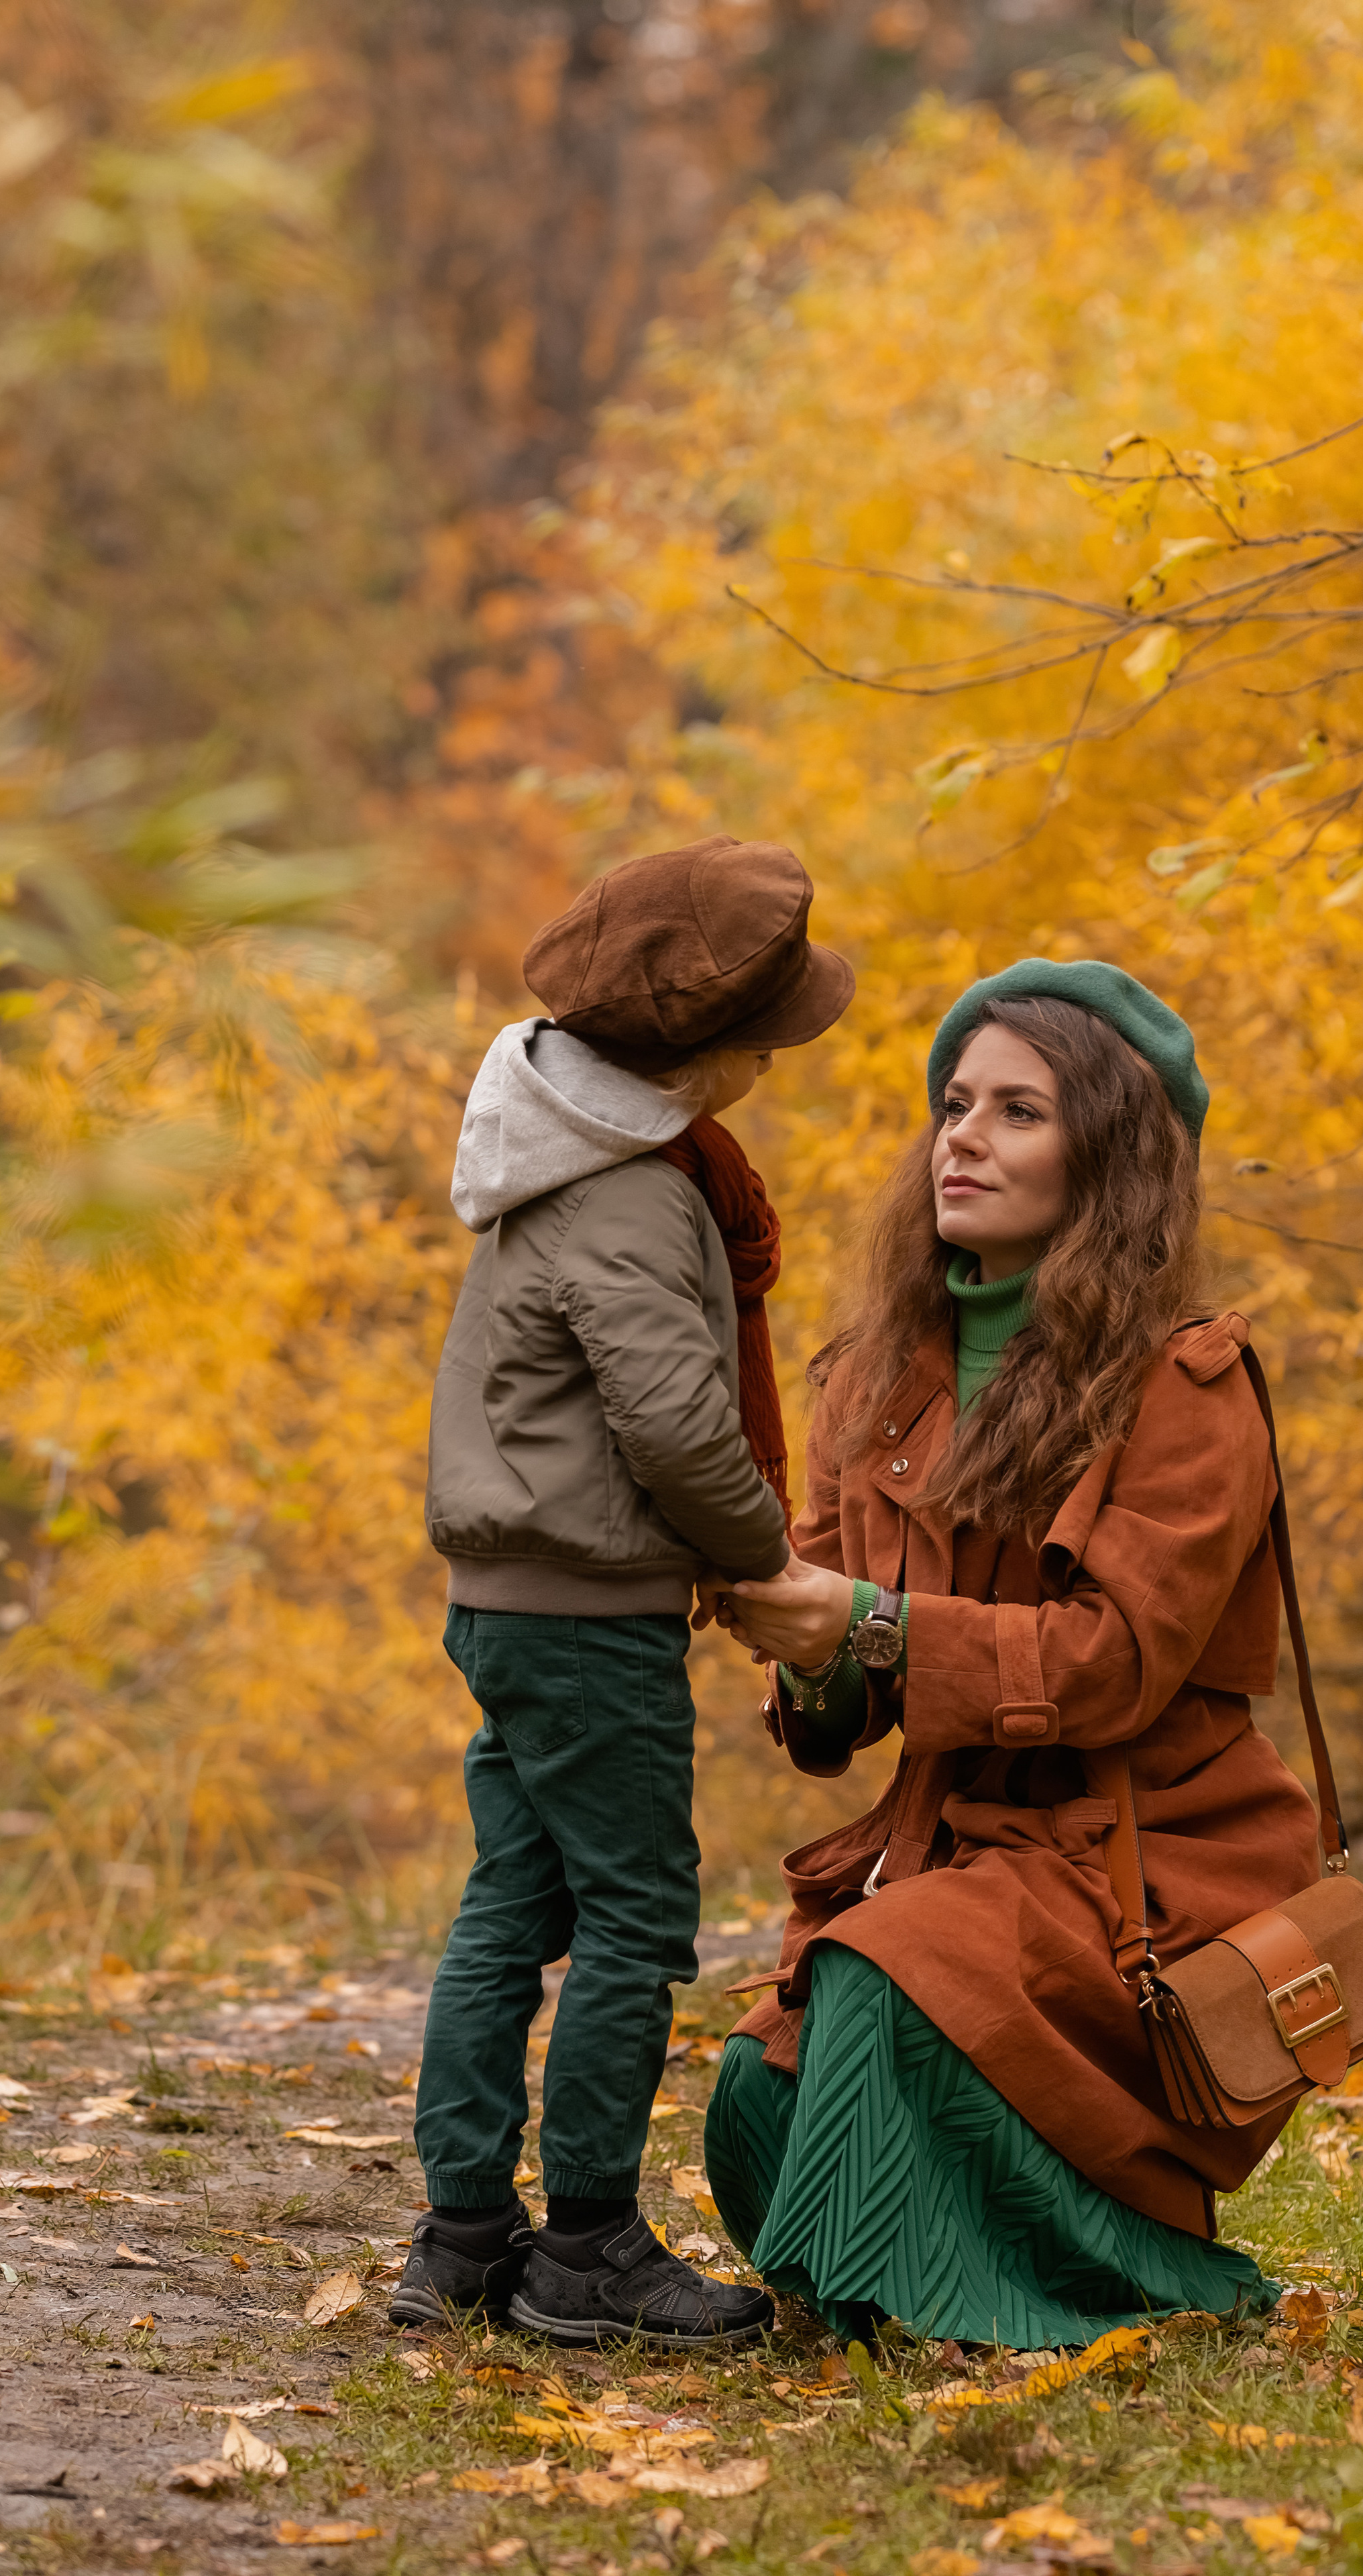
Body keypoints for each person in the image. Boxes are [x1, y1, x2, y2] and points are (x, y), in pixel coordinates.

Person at [702, 960, 1317, 2349]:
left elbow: (1109, 1664)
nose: (960, 1137)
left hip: (1142, 1855)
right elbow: (836, 1713)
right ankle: (905, 2277)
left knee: (892, 1965)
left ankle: (1128, 2289)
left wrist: (864, 1625)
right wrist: (804, 1647)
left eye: (1016, 1111)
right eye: (953, 1105)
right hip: (953, 1844)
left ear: (1106, 1158)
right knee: (756, 2094)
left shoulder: (1186, 1385)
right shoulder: (875, 1370)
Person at [396, 833, 853, 2349]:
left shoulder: (555, 1158)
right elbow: (671, 1421)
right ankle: (585, 2243)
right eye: (765, 1043)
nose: (771, 1069)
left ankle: (463, 2236)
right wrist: (760, 1562)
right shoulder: (636, 1200)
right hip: (586, 1612)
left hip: (513, 1596)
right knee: (637, 1913)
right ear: (707, 1058)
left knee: (513, 1898)